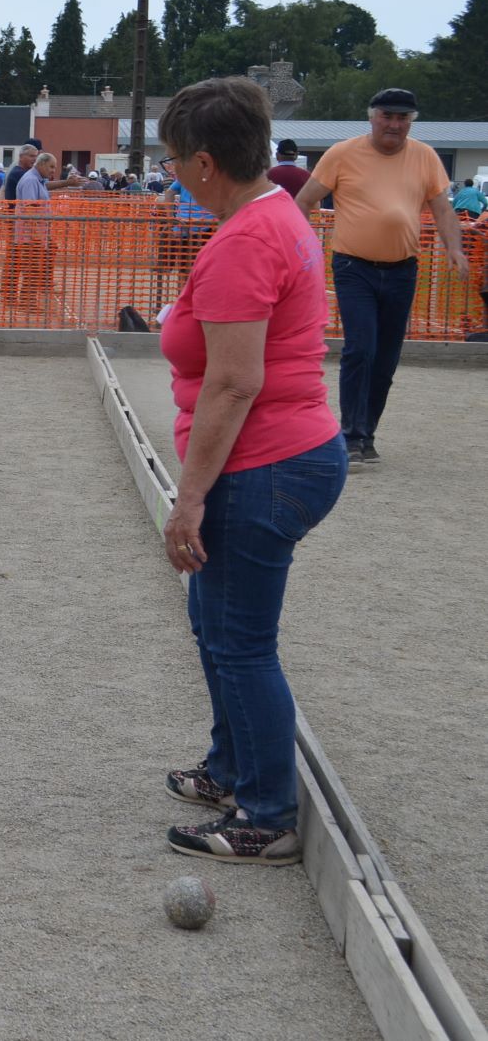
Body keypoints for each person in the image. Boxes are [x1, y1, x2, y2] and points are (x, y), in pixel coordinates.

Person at [156, 76, 348, 866]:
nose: (169, 174)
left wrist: (189, 497)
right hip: (282, 456)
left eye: (172, 161)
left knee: (240, 643)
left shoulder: (242, 239)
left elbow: (236, 382)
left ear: (205, 163)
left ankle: (266, 813)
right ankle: (231, 767)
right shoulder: (276, 213)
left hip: (263, 466)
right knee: (214, 623)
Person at [294, 88, 468, 463]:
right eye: (387, 116)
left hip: (403, 270)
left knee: (386, 358)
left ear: (411, 122)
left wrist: (454, 248)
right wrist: (302, 246)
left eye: (403, 118)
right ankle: (350, 436)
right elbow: (305, 201)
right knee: (361, 348)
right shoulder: (342, 153)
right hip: (353, 266)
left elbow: (442, 209)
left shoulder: (424, 157)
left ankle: (366, 433)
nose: (394, 124)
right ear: (372, 117)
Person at [4, 152, 62, 308]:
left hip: (35, 234)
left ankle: (27, 301)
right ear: (41, 164)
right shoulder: (31, 180)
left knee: (33, 269)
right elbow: (31, 210)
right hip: (30, 235)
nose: (53, 170)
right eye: (51, 166)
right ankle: (27, 302)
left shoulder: (37, 179)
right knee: (32, 269)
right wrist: (38, 238)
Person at [1, 141, 86, 202]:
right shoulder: (22, 174)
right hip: (17, 221)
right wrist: (67, 182)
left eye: (36, 156)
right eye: (31, 156)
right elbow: (30, 209)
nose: (35, 159)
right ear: (21, 156)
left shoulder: (26, 173)